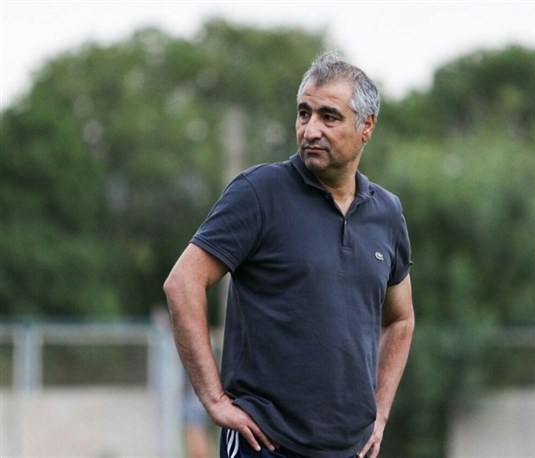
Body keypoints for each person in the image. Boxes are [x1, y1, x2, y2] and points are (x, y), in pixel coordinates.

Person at [163, 51, 415, 458]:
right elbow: (182, 283)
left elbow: (400, 319)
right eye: (303, 113)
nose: (310, 129)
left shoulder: (387, 213)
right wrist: (213, 399)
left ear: (366, 126)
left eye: (329, 117)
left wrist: (380, 412)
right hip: (264, 444)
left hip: (350, 449)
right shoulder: (259, 193)